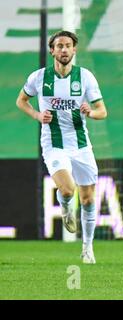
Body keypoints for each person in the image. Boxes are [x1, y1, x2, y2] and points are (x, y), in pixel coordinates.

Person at [16, 31, 107, 264]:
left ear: (74, 50)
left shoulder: (85, 77)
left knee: (88, 199)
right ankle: (66, 206)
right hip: (54, 143)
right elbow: (21, 101)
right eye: (59, 46)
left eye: (68, 45)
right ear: (52, 51)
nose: (64, 49)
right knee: (68, 190)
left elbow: (102, 111)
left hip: (81, 144)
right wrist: (37, 115)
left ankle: (87, 248)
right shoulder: (39, 77)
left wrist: (90, 112)